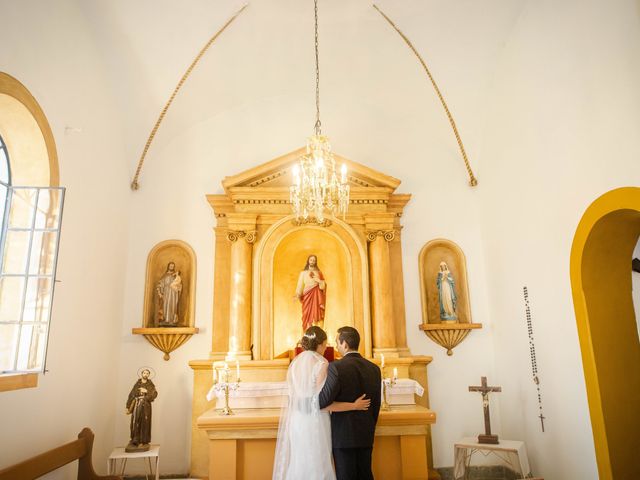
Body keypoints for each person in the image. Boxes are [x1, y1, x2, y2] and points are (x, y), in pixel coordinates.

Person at [273, 326, 370, 480]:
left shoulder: (294, 365)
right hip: (315, 422)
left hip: (297, 420)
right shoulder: (322, 364)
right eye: (325, 344)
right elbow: (321, 403)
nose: (326, 348)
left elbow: (298, 400)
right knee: (317, 462)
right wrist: (354, 405)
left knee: (299, 461)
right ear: (319, 344)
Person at [319, 326, 382, 480]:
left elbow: (322, 401)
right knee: (365, 475)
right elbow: (376, 405)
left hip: (343, 436)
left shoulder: (336, 367)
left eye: (337, 343)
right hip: (366, 433)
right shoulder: (374, 368)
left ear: (345, 344)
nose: (337, 346)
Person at [125, 368, 158, 452]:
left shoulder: (150, 384)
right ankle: (135, 439)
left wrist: (146, 391)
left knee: (144, 422)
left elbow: (154, 394)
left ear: (149, 375)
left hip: (146, 406)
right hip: (137, 404)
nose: (146, 374)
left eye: (147, 373)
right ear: (141, 374)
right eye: (144, 373)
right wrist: (128, 406)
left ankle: (143, 440)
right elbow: (131, 394)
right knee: (135, 421)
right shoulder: (137, 384)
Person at [295, 254, 327, 332]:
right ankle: (307, 330)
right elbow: (300, 284)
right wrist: (298, 294)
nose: (312, 261)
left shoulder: (319, 273)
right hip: (307, 295)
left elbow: (323, 286)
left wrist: (319, 281)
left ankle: (317, 330)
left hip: (317, 295)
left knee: (317, 313)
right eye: (311, 260)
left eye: (314, 260)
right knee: (306, 313)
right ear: (308, 261)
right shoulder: (303, 273)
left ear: (316, 262)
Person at [156, 261, 181, 326]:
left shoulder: (175, 275)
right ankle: (165, 319)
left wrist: (177, 285)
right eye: (170, 266)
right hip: (166, 292)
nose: (171, 267)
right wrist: (160, 292)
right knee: (165, 304)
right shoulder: (165, 275)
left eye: (173, 266)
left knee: (172, 305)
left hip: (173, 292)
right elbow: (160, 283)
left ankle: (172, 320)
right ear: (168, 266)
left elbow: (178, 283)